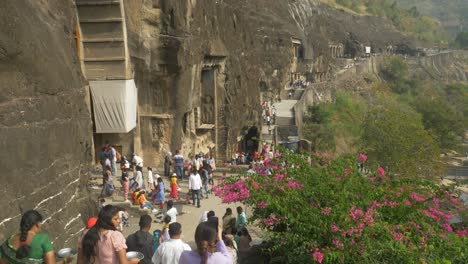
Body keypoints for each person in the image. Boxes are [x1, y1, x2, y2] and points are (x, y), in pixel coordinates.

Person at [0, 210, 70, 264]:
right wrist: (65, 261)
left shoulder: (10, 240)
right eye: (40, 223)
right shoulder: (43, 239)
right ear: (37, 224)